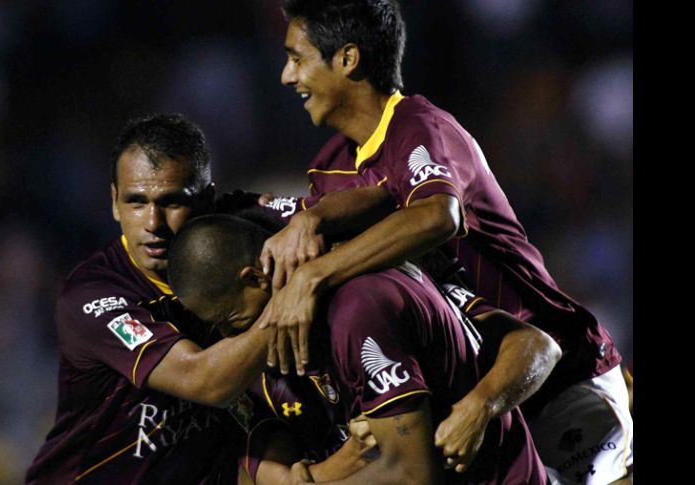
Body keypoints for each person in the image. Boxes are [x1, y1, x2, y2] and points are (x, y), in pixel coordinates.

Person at [255, 1, 633, 483]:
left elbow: (439, 214)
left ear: (347, 59)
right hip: (471, 402)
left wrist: (312, 275)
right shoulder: (330, 168)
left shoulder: (420, 125)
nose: (288, 77)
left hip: (556, 381)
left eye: (297, 57)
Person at [168, 214, 559, 484]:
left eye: (228, 317)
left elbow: (412, 473)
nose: (228, 334)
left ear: (254, 277)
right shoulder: (286, 348)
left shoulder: (360, 306)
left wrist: (482, 404)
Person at [26, 114, 277, 484]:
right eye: (136, 202)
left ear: (207, 199)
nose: (153, 223)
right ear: (114, 202)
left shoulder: (236, 232)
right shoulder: (94, 295)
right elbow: (207, 381)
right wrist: (293, 298)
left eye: (172, 202)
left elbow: (336, 212)